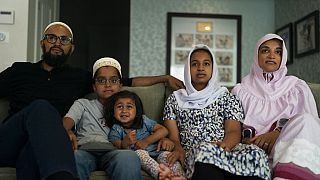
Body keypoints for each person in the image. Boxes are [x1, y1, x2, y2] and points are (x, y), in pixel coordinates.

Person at [0, 21, 184, 180]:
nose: (57, 43)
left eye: (64, 39)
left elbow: (128, 81)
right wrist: (64, 131)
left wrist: (164, 78)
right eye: (51, 38)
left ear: (71, 49)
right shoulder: (19, 70)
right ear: (42, 43)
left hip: (44, 145)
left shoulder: (79, 78)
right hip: (12, 138)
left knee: (33, 155)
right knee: (41, 108)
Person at [163, 44, 271, 180]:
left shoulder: (226, 97)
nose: (201, 68)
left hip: (225, 148)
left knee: (255, 153)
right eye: (195, 64)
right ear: (187, 69)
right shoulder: (175, 99)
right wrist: (178, 149)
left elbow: (233, 131)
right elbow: (173, 138)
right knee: (205, 150)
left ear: (213, 69)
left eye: (206, 64)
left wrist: (224, 146)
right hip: (197, 152)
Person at [232, 33, 320, 179]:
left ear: (282, 57)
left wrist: (278, 133)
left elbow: (309, 127)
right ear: (256, 55)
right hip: (254, 150)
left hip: (289, 145)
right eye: (265, 50)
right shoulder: (240, 91)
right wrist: (251, 141)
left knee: (306, 120)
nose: (272, 56)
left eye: (278, 52)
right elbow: (233, 128)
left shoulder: (297, 87)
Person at [105, 90, 185, 179]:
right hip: (139, 156)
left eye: (129, 107)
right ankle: (160, 173)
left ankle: (180, 176)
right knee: (139, 153)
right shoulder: (116, 129)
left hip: (158, 151)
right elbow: (117, 145)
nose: (124, 110)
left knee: (167, 157)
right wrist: (125, 143)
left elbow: (164, 130)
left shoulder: (143, 121)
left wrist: (146, 141)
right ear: (113, 111)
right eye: (119, 107)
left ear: (137, 111)